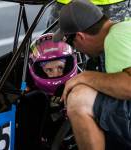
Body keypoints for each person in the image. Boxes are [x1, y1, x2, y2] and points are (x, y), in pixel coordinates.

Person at [53, 0, 131, 150]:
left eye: (71, 42)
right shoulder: (125, 27)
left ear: (81, 36)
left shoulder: (115, 39)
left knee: (79, 99)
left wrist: (84, 77)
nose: (75, 48)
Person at [19, 33, 80, 149]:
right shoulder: (32, 98)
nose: (56, 74)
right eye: (49, 70)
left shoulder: (81, 87)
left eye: (60, 68)